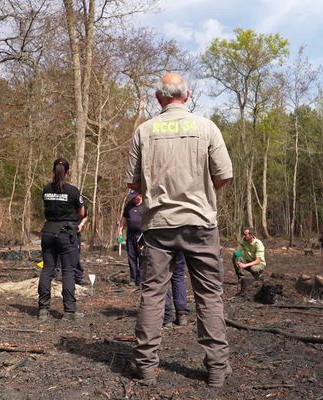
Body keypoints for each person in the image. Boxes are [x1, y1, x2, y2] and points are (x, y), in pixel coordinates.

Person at [124, 72, 233, 387]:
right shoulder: (206, 127)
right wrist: (199, 192)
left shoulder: (144, 131)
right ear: (187, 96)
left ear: (159, 97)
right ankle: (216, 368)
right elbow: (224, 174)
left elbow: (133, 183)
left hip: (159, 224)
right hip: (200, 222)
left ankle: (145, 367)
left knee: (153, 293)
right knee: (209, 294)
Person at [38, 158, 85, 320]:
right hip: (66, 233)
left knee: (47, 269)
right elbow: (81, 212)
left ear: (53, 170)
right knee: (68, 271)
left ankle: (43, 309)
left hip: (48, 232)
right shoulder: (72, 191)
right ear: (67, 172)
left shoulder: (46, 189)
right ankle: (69, 311)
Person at [118, 190, 144, 286]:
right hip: (130, 234)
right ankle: (133, 278)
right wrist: (120, 229)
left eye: (134, 197)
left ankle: (141, 280)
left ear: (140, 196)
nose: (133, 199)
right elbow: (124, 217)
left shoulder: (145, 205)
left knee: (142, 257)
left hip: (142, 235)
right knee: (131, 257)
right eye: (131, 198)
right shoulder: (129, 205)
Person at [163, 252, 191, 328]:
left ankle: (167, 317)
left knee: (163, 280)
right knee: (178, 277)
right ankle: (182, 315)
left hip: (161, 246)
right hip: (179, 245)